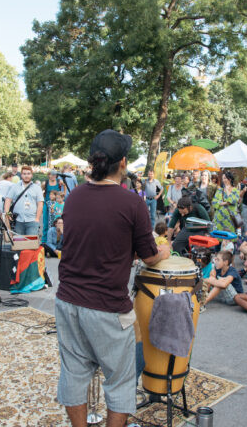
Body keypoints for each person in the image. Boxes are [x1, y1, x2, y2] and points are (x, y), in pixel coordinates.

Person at [55, 129, 170, 426]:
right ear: (122, 163)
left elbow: (91, 241)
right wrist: (164, 252)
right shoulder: (132, 203)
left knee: (74, 371)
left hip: (67, 301)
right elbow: (149, 256)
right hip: (106, 306)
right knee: (120, 379)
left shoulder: (76, 195)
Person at [4, 166, 44, 236]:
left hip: (32, 220)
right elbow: (8, 199)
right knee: (19, 244)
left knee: (31, 244)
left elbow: (40, 204)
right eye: (24, 174)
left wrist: (37, 219)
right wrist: (7, 213)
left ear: (31, 175)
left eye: (28, 174)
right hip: (18, 220)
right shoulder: (15, 187)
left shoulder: (37, 188)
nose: (26, 176)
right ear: (21, 175)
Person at [41, 170, 61, 243]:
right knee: (46, 223)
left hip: (56, 205)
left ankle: (56, 240)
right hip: (47, 204)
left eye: (54, 175)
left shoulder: (59, 182)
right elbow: (42, 192)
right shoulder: (45, 183)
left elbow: (63, 192)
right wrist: (43, 201)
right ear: (49, 175)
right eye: (51, 175)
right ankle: (44, 241)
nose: (53, 176)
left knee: (56, 223)